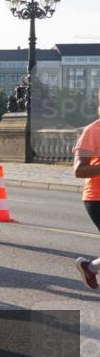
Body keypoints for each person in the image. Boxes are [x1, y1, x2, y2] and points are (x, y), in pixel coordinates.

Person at [73, 99, 100, 289]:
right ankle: (90, 268)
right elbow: (79, 170)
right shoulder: (93, 131)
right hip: (97, 197)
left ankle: (90, 268)